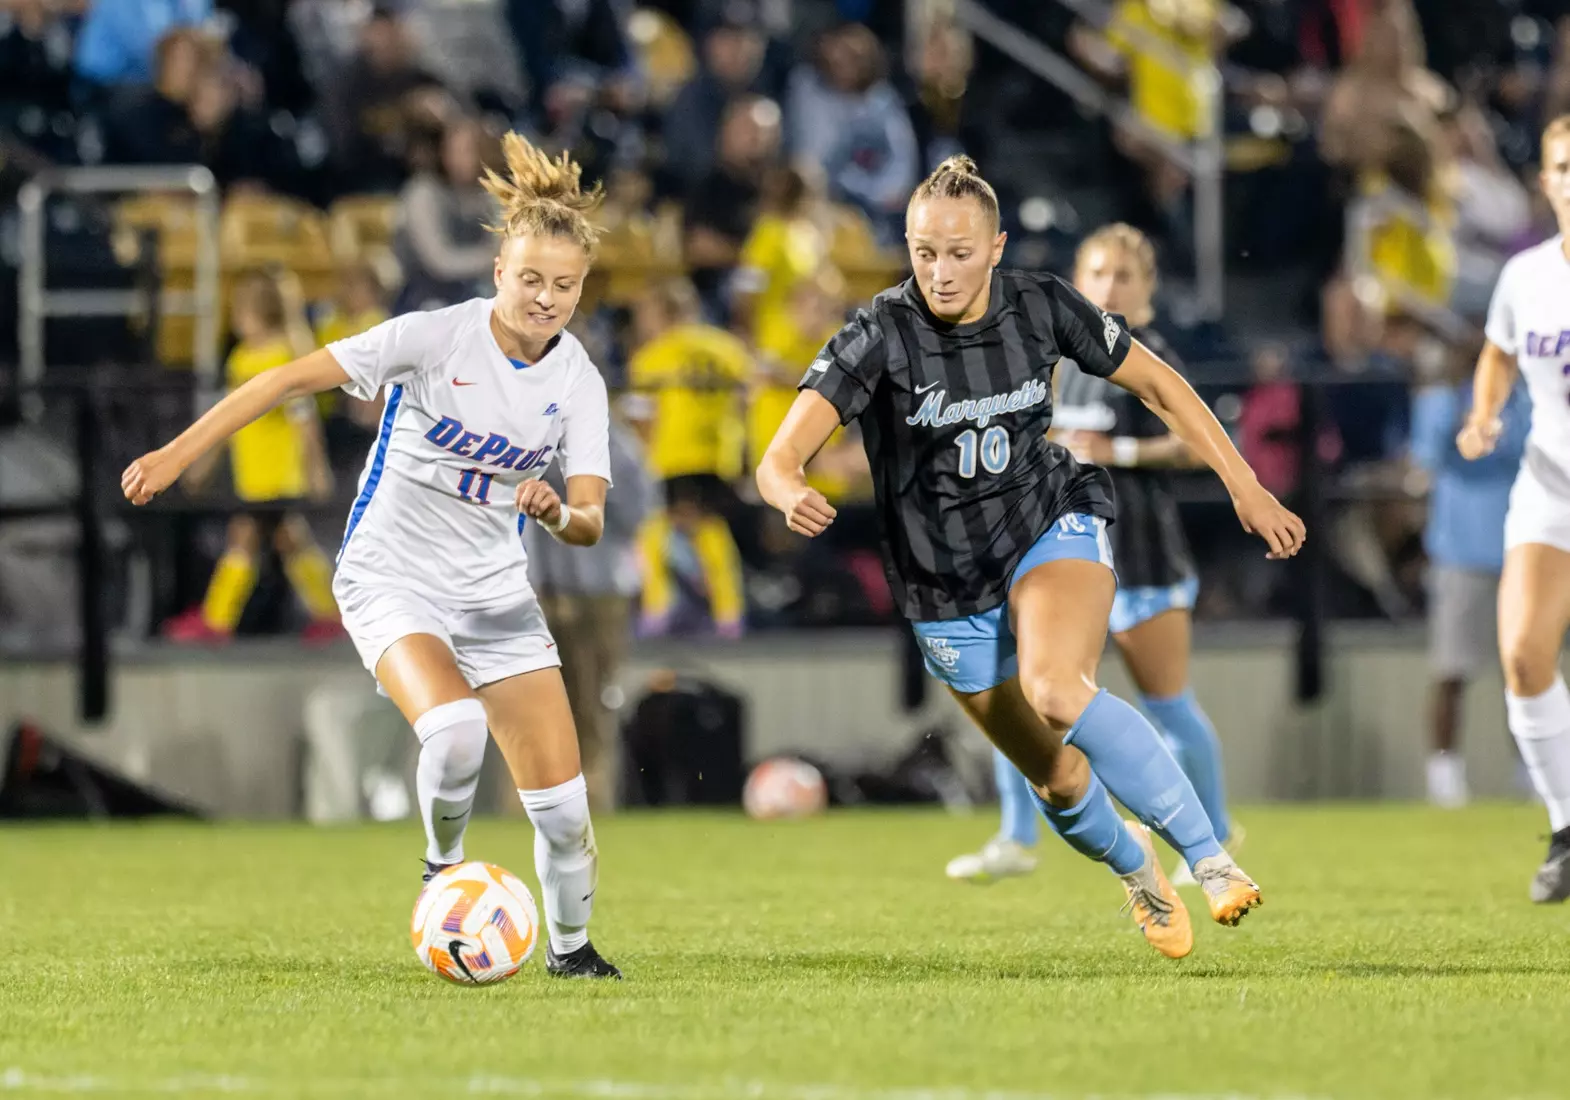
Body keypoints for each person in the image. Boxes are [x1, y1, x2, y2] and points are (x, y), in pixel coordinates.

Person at [756, 156, 1304, 959]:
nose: (940, 273)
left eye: (960, 253)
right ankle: (1136, 868)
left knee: (1057, 689)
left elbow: (1163, 386)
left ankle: (1212, 857)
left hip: (1049, 520)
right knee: (1056, 776)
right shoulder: (878, 332)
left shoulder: (1042, 305)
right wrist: (785, 489)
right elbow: (778, 456)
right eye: (923, 253)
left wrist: (1245, 485)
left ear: (998, 246)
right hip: (942, 583)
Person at [123, 132, 623, 978]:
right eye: (530, 278)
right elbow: (283, 379)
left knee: (567, 814)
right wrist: (179, 454)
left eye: (564, 286)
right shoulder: (434, 338)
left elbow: (591, 521)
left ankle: (572, 957)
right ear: (498, 269)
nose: (545, 298)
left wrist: (556, 511)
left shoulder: (578, 380)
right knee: (458, 733)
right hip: (391, 577)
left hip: (495, 592)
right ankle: (442, 867)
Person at [945, 223, 1240, 888]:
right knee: (1023, 693)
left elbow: (1194, 444)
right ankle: (1016, 837)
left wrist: (1120, 454)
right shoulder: (1063, 360)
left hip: (1139, 553)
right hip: (1063, 555)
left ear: (1148, 288)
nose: (1109, 287)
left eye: (1123, 276)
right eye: (1098, 275)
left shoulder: (1153, 354)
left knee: (1168, 706)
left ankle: (1216, 834)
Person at [1457, 115, 1570, 904]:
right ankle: (1566, 829)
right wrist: (1484, 413)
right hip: (1550, 483)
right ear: (1546, 179)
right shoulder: (1527, 274)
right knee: (1525, 656)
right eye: (1563, 165)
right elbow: (1498, 351)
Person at [163, 269, 341, 644]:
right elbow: (228, 422)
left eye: (241, 311)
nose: (236, 319)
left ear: (260, 313)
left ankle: (217, 620)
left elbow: (303, 419)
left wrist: (315, 467)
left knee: (244, 538)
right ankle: (330, 614)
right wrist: (203, 464)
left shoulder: (282, 358)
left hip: (276, 475)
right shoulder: (243, 359)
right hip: (255, 474)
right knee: (289, 541)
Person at [1410, 348, 1529, 808]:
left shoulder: (1527, 401)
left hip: (1519, 550)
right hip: (1459, 551)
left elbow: (1531, 454)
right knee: (1451, 671)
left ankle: (1529, 773)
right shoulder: (1441, 399)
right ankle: (1444, 774)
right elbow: (1433, 454)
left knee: (1523, 672)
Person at [629, 276, 751, 637]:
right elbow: (747, 403)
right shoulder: (729, 348)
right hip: (719, 456)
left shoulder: (652, 358)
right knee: (711, 528)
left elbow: (643, 420)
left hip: (671, 456)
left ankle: (657, 609)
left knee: (653, 527)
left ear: (663, 313)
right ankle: (730, 614)